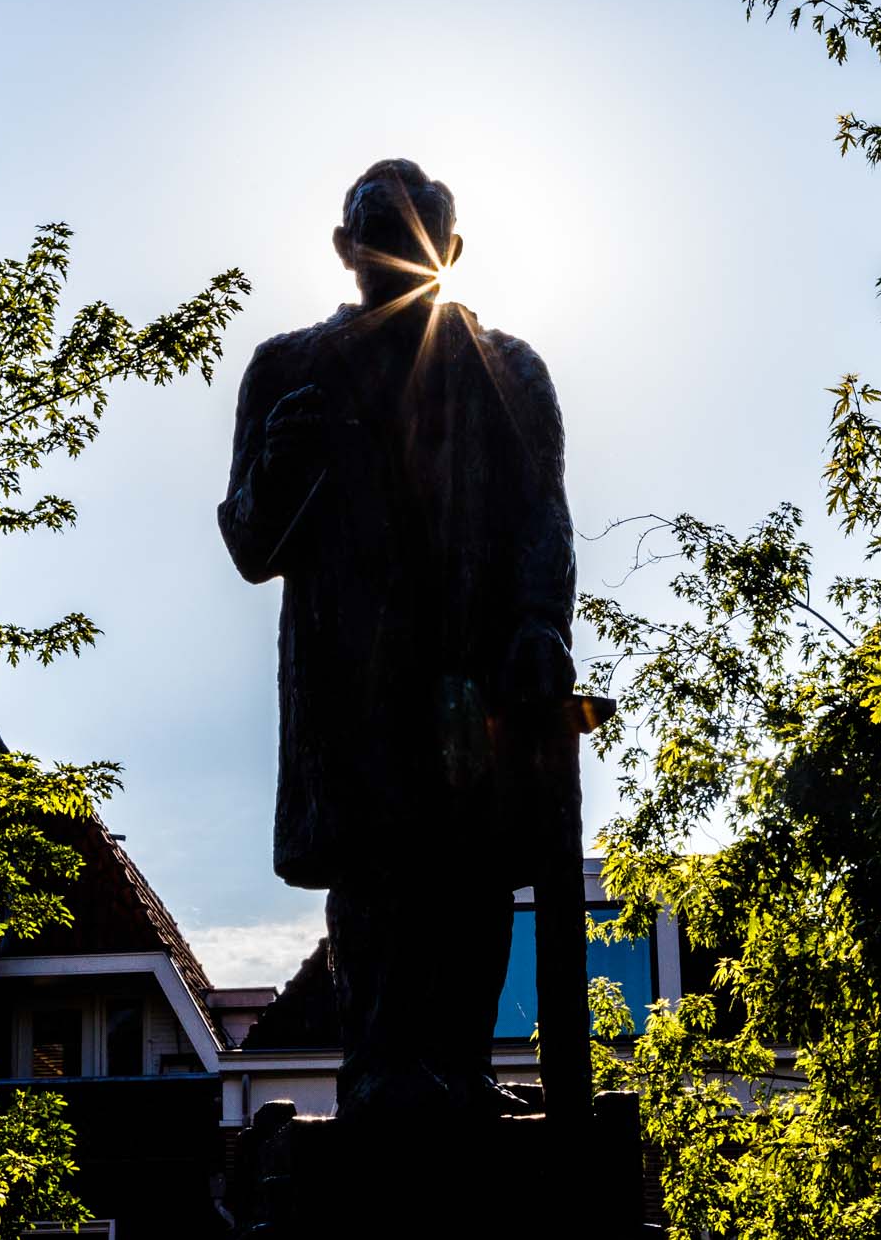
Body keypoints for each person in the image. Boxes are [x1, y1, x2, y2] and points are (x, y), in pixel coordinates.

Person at [218, 159, 576, 1120]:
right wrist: (280, 467)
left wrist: (541, 622)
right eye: (381, 230)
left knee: (473, 871)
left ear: (452, 252)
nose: (402, 248)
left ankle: (458, 1070)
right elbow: (251, 543)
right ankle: (382, 1075)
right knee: (376, 877)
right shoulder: (287, 369)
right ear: (343, 249)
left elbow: (544, 515)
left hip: (471, 669)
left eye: (422, 232)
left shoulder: (509, 371)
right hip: (352, 683)